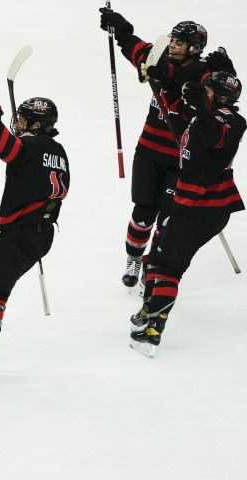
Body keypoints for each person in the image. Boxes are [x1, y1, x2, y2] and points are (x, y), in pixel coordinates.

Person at [99, 8, 235, 290]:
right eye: (172, 40)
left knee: (168, 220)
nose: (172, 46)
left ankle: (152, 267)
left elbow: (221, 97)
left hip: (180, 159)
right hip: (148, 152)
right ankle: (133, 259)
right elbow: (134, 47)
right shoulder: (158, 58)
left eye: (179, 43)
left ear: (195, 48)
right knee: (142, 213)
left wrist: (225, 70)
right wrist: (121, 26)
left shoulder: (205, 75)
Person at [0, 82, 70, 388]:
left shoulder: (31, 147)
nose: (17, 123)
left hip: (21, 232)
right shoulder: (57, 151)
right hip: (42, 233)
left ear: (37, 124)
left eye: (22, 119)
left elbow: (1, 146)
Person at [130, 72, 244, 356]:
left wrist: (204, 113)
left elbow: (215, 137)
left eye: (208, 90)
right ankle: (148, 308)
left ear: (219, 96)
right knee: (157, 252)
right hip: (186, 203)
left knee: (169, 267)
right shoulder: (206, 113)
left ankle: (152, 332)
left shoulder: (232, 120)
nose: (201, 92)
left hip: (204, 209)